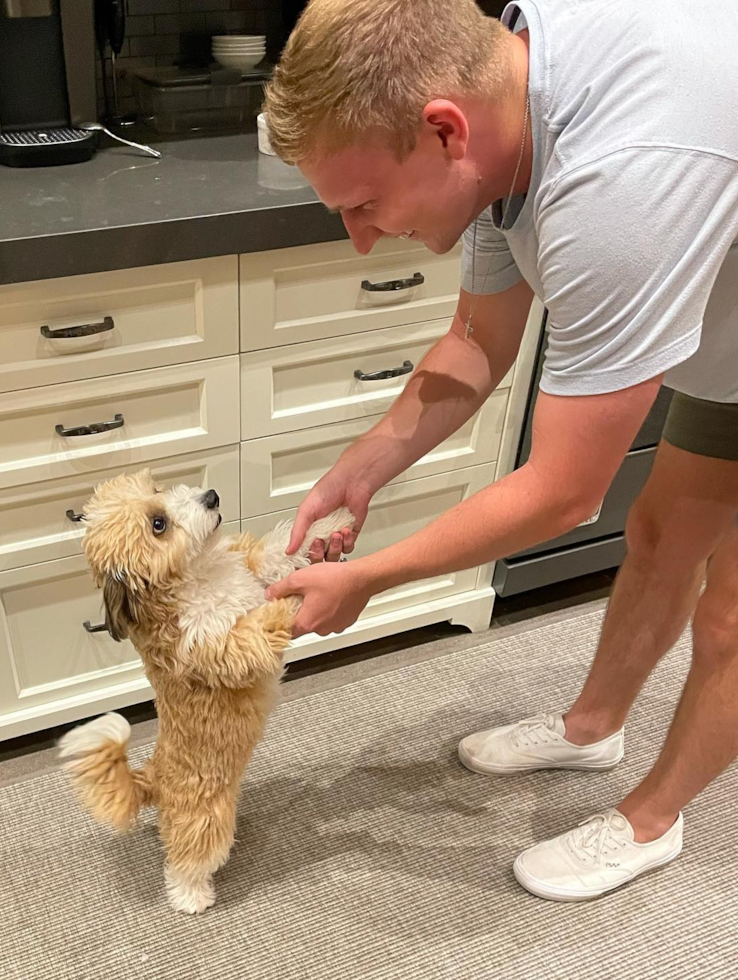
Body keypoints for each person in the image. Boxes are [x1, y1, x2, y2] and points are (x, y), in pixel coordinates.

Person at [260, 0, 738, 902]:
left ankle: (651, 821)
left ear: (444, 132)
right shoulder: (503, 92)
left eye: (362, 205)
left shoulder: (617, 187)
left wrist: (368, 579)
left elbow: (563, 493)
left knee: (730, 617)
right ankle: (593, 727)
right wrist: (361, 470)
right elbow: (480, 339)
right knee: (661, 532)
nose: (359, 238)